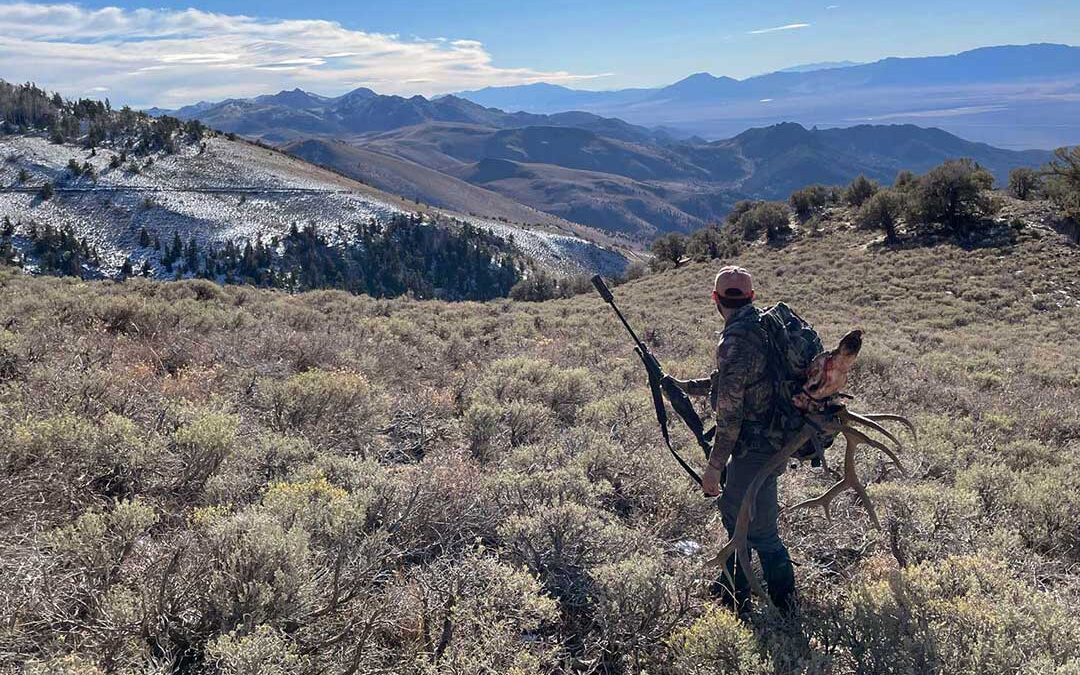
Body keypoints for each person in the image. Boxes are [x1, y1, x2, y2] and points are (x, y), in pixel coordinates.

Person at [666, 265, 797, 616]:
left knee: (751, 525)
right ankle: (740, 589)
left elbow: (729, 418)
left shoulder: (735, 341)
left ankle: (764, 603)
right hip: (776, 439)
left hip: (755, 448)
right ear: (751, 297)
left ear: (715, 299)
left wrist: (713, 468)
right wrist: (682, 386)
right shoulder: (763, 326)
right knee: (746, 519)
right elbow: (733, 381)